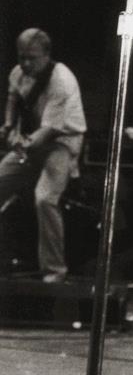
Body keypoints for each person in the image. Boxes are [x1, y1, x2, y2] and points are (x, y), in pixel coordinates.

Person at [0, 28, 87, 283]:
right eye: (21, 57)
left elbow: (49, 130)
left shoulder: (61, 80)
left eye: (32, 58)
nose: (26, 63)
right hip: (32, 140)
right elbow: (13, 100)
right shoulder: (18, 73)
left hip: (61, 142)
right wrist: (8, 128)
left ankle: (54, 271)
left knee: (45, 198)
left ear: (47, 55)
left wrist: (23, 144)